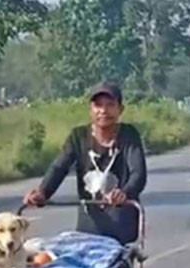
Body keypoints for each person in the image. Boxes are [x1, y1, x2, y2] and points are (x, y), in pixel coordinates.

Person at [23, 82, 147, 244]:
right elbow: (59, 167)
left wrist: (124, 192)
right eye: (98, 105)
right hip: (89, 226)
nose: (103, 111)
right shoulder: (78, 136)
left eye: (110, 105)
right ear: (90, 109)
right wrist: (43, 192)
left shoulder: (128, 135)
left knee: (117, 264)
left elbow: (138, 173)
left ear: (120, 110)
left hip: (122, 223)